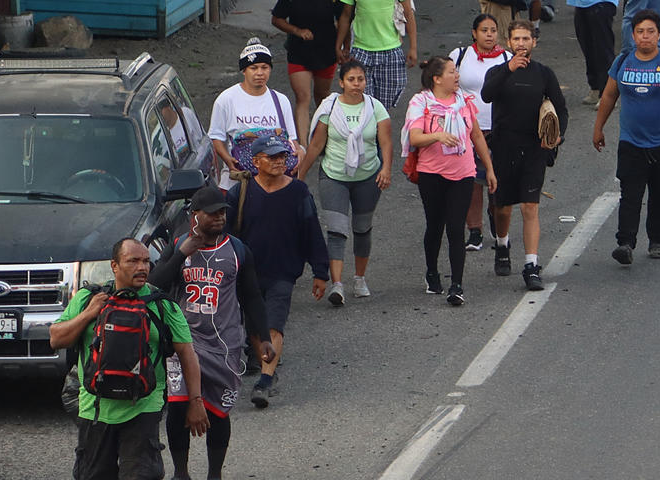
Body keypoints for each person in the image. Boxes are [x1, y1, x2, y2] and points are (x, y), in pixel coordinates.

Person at [48, 239, 201, 480]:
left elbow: (187, 353)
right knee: (90, 476)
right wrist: (89, 313)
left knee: (137, 477)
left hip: (143, 403)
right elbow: (56, 338)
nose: (142, 267)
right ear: (114, 266)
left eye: (146, 261)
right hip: (95, 405)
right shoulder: (88, 297)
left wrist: (195, 400)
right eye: (133, 261)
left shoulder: (161, 304)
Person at [151, 187, 272, 480]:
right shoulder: (178, 246)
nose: (220, 216)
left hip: (225, 346)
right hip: (183, 343)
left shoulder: (237, 250)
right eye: (213, 212)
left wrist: (264, 339)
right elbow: (155, 285)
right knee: (178, 407)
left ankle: (215, 475)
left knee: (218, 412)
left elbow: (252, 297)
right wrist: (181, 254)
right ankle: (180, 476)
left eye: (223, 212)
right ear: (195, 216)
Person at [222, 133, 326, 409]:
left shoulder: (298, 192)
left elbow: (312, 232)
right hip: (248, 273)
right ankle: (267, 366)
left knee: (273, 324)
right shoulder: (240, 193)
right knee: (256, 328)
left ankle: (265, 381)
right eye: (273, 157)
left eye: (283, 156)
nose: (281, 161)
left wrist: (321, 271)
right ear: (256, 162)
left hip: (284, 271)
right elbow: (224, 234)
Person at [593, 10, 660, 264]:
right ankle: (625, 243)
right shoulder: (623, 61)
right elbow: (608, 96)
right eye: (640, 32)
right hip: (631, 143)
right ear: (633, 35)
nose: (645, 37)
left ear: (658, 35)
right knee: (630, 193)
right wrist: (598, 127)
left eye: (650, 31)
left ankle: (656, 240)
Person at [480, 19, 569, 289]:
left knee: (530, 207)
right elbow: (486, 95)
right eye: (516, 39)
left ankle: (531, 265)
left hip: (534, 149)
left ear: (534, 42)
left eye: (526, 39)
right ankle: (502, 244)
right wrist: (508, 68)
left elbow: (561, 109)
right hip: (503, 147)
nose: (521, 44)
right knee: (503, 208)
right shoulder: (497, 71)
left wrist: (556, 136)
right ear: (508, 42)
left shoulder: (544, 74)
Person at [297, 58, 393, 304]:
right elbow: (317, 144)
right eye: (351, 79)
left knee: (362, 229)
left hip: (368, 177)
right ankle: (337, 284)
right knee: (337, 230)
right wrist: (301, 175)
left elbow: (385, 142)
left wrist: (386, 169)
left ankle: (359, 278)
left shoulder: (375, 108)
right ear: (341, 82)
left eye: (360, 79)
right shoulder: (330, 109)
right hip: (334, 176)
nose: (356, 84)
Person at [403, 56, 496, 305]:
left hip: (463, 173)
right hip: (431, 174)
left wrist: (489, 169)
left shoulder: (464, 101)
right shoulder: (421, 102)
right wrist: (437, 136)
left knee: (456, 228)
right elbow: (414, 138)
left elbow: (476, 136)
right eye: (452, 72)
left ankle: (457, 285)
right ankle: (432, 273)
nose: (457, 76)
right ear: (437, 78)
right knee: (435, 225)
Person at [449, 14, 511, 256]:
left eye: (493, 30)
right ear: (474, 33)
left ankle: (497, 221)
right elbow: (447, 84)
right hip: (468, 130)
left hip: (498, 130)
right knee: (472, 182)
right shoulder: (460, 56)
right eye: (484, 30)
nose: (489, 34)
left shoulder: (507, 59)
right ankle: (474, 230)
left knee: (497, 181)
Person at [336, 0, 416, 111]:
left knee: (382, 109)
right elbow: (345, 16)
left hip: (391, 51)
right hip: (362, 51)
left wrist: (413, 48)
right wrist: (339, 45)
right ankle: (366, 138)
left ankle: (380, 138)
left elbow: (409, 14)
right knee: (364, 104)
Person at [270, 0, 340, 143]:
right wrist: (296, 30)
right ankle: (303, 144)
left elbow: (345, 19)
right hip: (298, 52)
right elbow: (276, 19)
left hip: (326, 53)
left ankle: (322, 139)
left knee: (322, 97)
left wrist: (343, 46)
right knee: (302, 97)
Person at [208, 39, 299, 186]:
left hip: (276, 182)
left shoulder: (281, 100)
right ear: (244, 70)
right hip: (239, 181)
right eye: (253, 68)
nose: (260, 73)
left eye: (264, 67)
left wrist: (299, 152)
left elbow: (290, 139)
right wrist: (228, 160)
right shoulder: (226, 99)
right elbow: (215, 136)